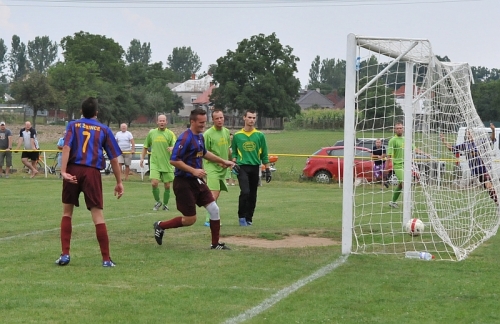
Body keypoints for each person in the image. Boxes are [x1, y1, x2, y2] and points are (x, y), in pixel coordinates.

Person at [153, 108, 236, 250]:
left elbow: (204, 153)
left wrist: (223, 161)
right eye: (200, 123)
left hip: (197, 181)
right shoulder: (185, 138)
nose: (203, 125)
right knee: (190, 219)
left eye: (205, 122)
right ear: (192, 121)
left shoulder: (200, 136)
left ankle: (215, 244)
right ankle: (160, 225)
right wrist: (194, 170)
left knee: (214, 209)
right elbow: (174, 160)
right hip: (183, 182)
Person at [55, 97, 124, 267]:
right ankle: (106, 259)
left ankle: (65, 255)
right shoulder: (104, 129)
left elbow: (66, 147)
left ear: (81, 111)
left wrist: (63, 171)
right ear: (96, 113)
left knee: (67, 213)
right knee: (97, 215)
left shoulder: (73, 125)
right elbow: (114, 158)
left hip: (72, 169)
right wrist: (119, 182)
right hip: (92, 172)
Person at [440, 123, 498, 205]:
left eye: (470, 133)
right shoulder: (465, 145)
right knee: (488, 189)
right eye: (468, 133)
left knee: (488, 185)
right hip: (477, 172)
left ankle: (498, 203)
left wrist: (493, 130)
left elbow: (491, 140)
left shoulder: (480, 142)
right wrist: (444, 141)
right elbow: (452, 148)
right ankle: (497, 202)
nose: (469, 134)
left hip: (484, 169)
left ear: (473, 134)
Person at [232, 110, 271, 226]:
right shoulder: (237, 136)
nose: (252, 120)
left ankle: (249, 218)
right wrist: (234, 163)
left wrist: (268, 170)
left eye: (254, 118)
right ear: (244, 118)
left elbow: (264, 153)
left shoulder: (260, 135)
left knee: (253, 194)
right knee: (245, 192)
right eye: (249, 117)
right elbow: (234, 152)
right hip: (242, 167)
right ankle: (241, 217)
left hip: (255, 167)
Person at [385, 122, 428, 208]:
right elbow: (389, 155)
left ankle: (393, 202)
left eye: (401, 128)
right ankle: (408, 203)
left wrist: (425, 154)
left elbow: (415, 149)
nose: (399, 129)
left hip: (407, 165)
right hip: (398, 165)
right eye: (397, 128)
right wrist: (386, 169)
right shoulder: (393, 140)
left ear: (403, 129)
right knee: (405, 182)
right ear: (395, 130)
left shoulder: (406, 139)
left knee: (401, 184)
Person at [140, 115, 176, 211]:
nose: (162, 122)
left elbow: (176, 146)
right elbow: (145, 146)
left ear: (166, 122)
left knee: (167, 185)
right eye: (160, 121)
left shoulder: (170, 134)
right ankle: (157, 201)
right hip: (155, 162)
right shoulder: (152, 133)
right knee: (154, 183)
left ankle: (165, 204)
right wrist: (142, 158)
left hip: (166, 163)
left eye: (163, 121)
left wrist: (172, 148)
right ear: (157, 122)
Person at [203, 109, 231, 226]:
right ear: (213, 120)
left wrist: (232, 160)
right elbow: (204, 153)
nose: (219, 120)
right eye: (217, 118)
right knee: (213, 194)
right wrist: (219, 162)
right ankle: (208, 220)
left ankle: (212, 217)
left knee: (216, 194)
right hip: (212, 167)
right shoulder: (208, 134)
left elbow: (228, 149)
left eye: (221, 118)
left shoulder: (226, 132)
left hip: (223, 169)